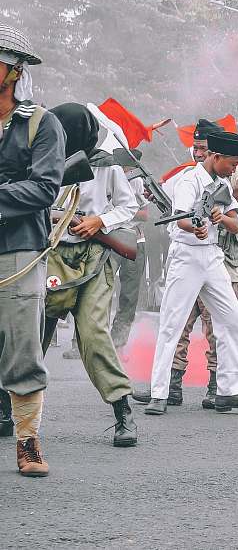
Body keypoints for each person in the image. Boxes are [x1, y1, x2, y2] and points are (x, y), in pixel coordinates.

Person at [143, 130, 238, 415]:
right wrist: (195, 226)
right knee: (172, 324)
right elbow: (181, 218)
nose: (235, 169)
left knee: (233, 320)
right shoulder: (189, 180)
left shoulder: (222, 183)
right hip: (186, 255)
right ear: (216, 156)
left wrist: (221, 218)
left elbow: (237, 225)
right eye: (232, 163)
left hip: (212, 256)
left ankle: (229, 390)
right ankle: (159, 394)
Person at [40, 103, 139, 448]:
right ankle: (9, 410)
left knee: (95, 334)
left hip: (94, 257)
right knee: (32, 336)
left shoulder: (106, 163)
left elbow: (128, 205)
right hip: (51, 254)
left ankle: (123, 412)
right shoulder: (43, 157)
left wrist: (101, 222)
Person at [0, 23, 65, 476]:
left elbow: (44, 188)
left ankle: (27, 441)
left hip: (19, 247)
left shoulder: (40, 123)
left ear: (13, 71)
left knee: (23, 345)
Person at [111, 147, 151, 350]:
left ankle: (118, 340)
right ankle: (90, 340)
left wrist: (120, 212)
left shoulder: (137, 181)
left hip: (134, 239)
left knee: (129, 294)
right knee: (98, 290)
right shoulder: (105, 177)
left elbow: (145, 214)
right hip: (108, 238)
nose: (127, 172)